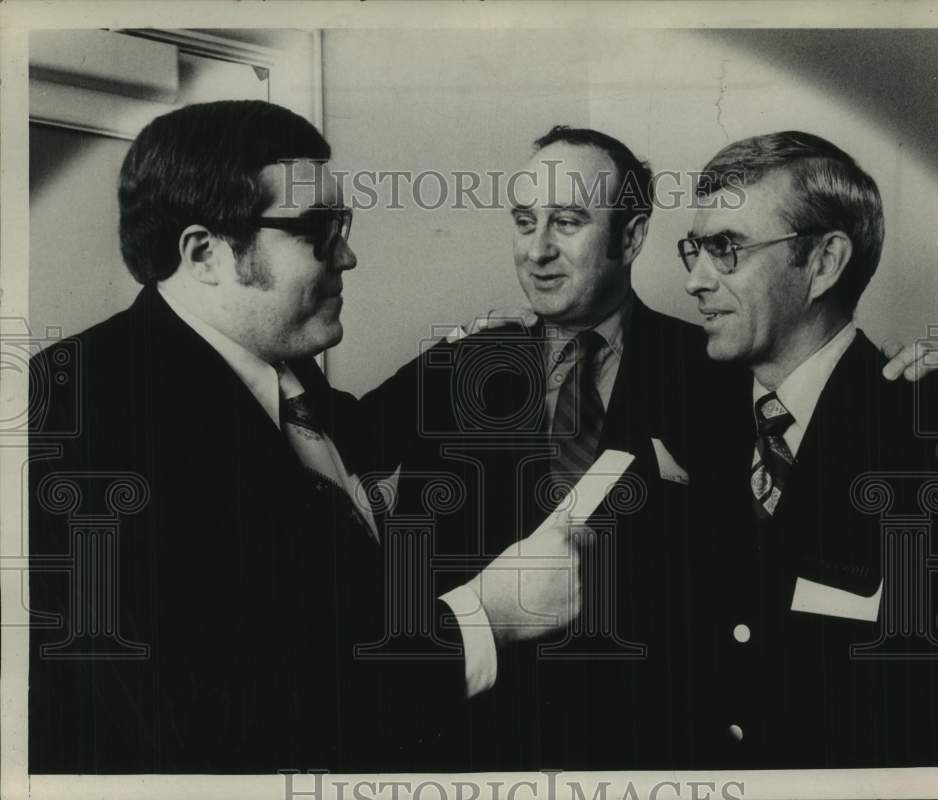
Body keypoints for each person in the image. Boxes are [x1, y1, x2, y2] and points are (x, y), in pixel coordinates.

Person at [28, 100, 586, 774]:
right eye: (319, 230)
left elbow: (335, 440)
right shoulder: (79, 409)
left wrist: (466, 356)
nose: (347, 255)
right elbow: (205, 723)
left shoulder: (271, 366)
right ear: (205, 253)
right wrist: (486, 617)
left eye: (342, 224)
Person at [362, 126, 938, 769]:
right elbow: (322, 454)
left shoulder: (718, 370)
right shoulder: (461, 366)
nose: (537, 250)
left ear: (631, 237)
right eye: (524, 221)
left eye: (568, 221)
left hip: (647, 750)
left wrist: (937, 384)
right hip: (474, 745)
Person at [677, 130, 938, 767]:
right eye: (695, 250)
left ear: (824, 263)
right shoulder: (690, 413)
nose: (695, 281)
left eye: (726, 250)